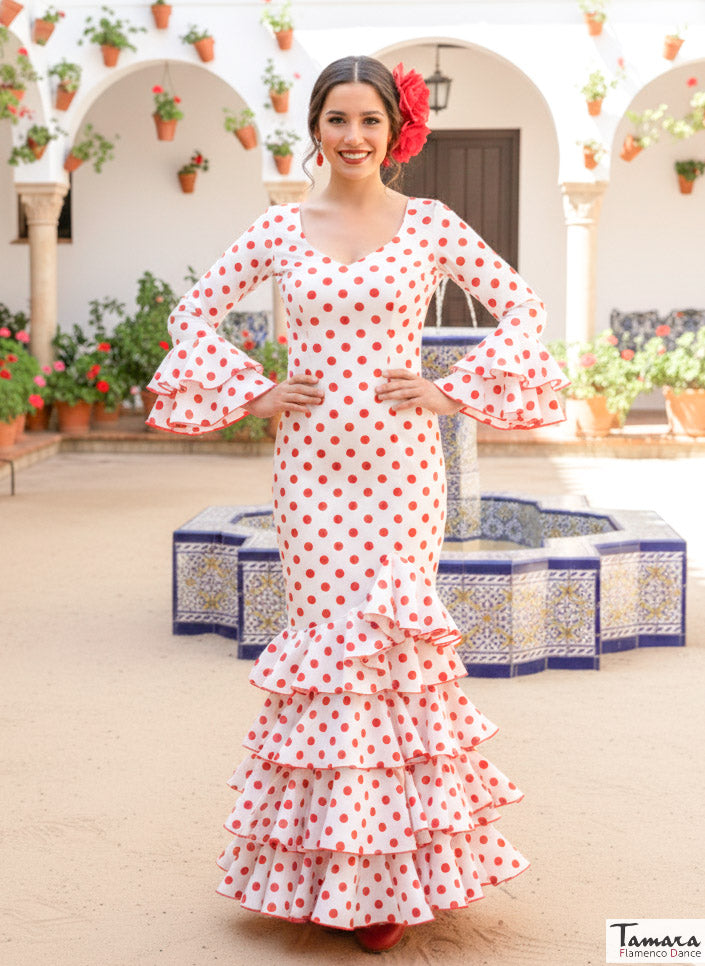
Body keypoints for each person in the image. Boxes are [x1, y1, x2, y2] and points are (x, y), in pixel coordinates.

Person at [146, 55, 569, 954]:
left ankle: (395, 876)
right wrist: (254, 392)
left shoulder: (430, 225)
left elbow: (522, 309)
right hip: (308, 478)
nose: (352, 136)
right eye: (336, 119)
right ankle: (328, 869)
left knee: (388, 655)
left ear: (394, 130)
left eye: (368, 120)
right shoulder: (276, 229)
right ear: (315, 128)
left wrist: (450, 391)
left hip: (403, 475)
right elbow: (192, 316)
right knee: (329, 655)